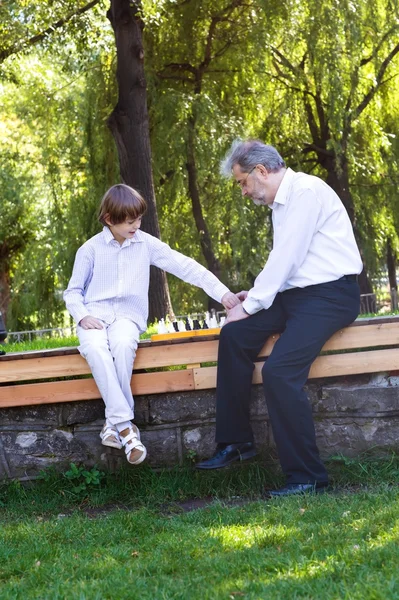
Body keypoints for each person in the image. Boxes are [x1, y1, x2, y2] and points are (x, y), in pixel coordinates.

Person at [196, 140, 363, 497]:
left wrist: (252, 303)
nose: (243, 192)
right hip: (297, 295)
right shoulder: (281, 204)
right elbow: (286, 266)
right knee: (235, 336)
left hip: (331, 296)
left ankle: (307, 478)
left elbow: (287, 258)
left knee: (279, 372)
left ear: (261, 171)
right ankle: (237, 442)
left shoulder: (304, 192)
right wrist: (253, 299)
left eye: (243, 182)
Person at [64, 184, 239, 466]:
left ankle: (115, 423)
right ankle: (125, 427)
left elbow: (186, 266)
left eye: (139, 219)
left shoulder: (146, 244)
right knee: (95, 349)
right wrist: (82, 316)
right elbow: (73, 292)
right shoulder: (90, 250)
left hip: (127, 318)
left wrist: (223, 294)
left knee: (122, 345)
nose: (137, 225)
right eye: (130, 220)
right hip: (93, 316)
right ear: (109, 219)